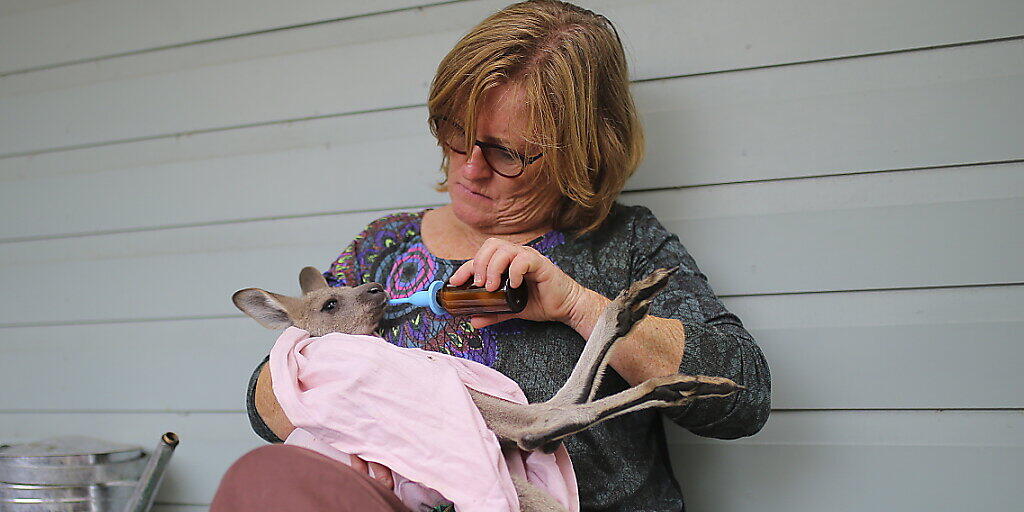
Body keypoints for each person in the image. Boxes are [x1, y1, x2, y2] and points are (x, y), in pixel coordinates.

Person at [219, 1, 771, 510]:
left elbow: (743, 396)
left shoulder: (623, 244)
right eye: (455, 132)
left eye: (505, 151)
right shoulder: (384, 245)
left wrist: (578, 305)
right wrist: (355, 418)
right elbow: (265, 404)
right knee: (260, 481)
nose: (468, 168)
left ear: (580, 152)